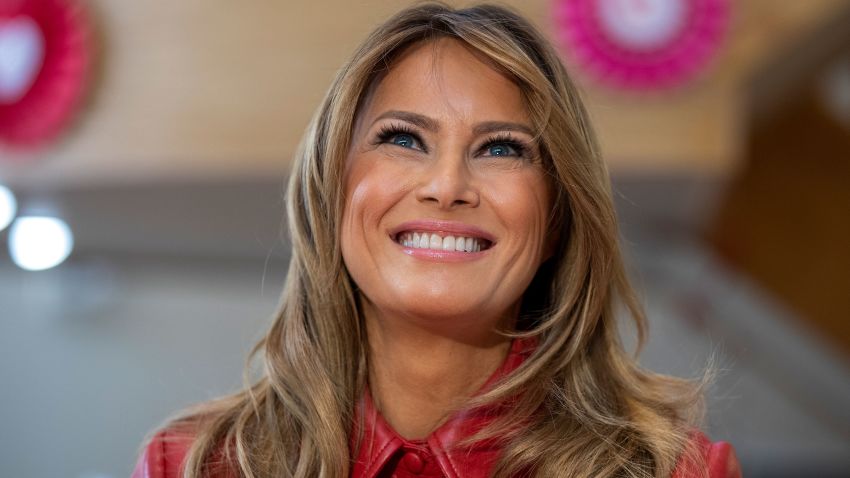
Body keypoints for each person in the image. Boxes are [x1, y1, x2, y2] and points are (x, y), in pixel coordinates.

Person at [132, 3, 741, 477]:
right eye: (403, 139)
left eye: (501, 149)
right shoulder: (189, 465)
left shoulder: (674, 472)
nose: (447, 186)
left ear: (557, 220)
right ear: (332, 190)